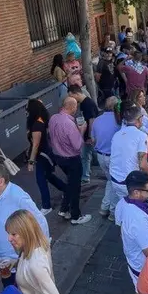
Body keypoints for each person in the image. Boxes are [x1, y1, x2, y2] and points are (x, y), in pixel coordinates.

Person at [0, 164, 50, 286]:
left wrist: (40, 253)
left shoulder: (18, 197)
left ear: (0, 181)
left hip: (21, 262)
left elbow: (41, 222)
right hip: (3, 262)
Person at [48, 97, 91, 225]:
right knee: (75, 186)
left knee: (70, 183)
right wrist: (82, 131)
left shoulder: (53, 118)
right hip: (71, 159)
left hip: (58, 157)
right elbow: (77, 145)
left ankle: (64, 209)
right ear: (72, 107)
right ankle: (76, 216)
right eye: (75, 106)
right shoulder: (69, 124)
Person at [25, 99, 67, 216]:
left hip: (42, 156)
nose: (26, 111)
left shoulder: (37, 124)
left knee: (41, 179)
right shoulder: (40, 120)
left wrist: (31, 161)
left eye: (27, 108)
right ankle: (66, 189)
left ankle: (46, 205)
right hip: (46, 154)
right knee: (48, 176)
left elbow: (36, 144)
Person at [109, 105, 148, 210]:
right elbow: (142, 164)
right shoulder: (141, 136)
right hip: (130, 183)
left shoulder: (117, 134)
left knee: (124, 206)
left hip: (115, 180)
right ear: (139, 119)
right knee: (135, 210)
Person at [89, 96, 121, 218]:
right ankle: (112, 212)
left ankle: (104, 206)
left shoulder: (97, 120)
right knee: (115, 182)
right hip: (113, 157)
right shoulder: (118, 121)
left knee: (110, 181)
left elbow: (93, 139)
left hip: (100, 156)